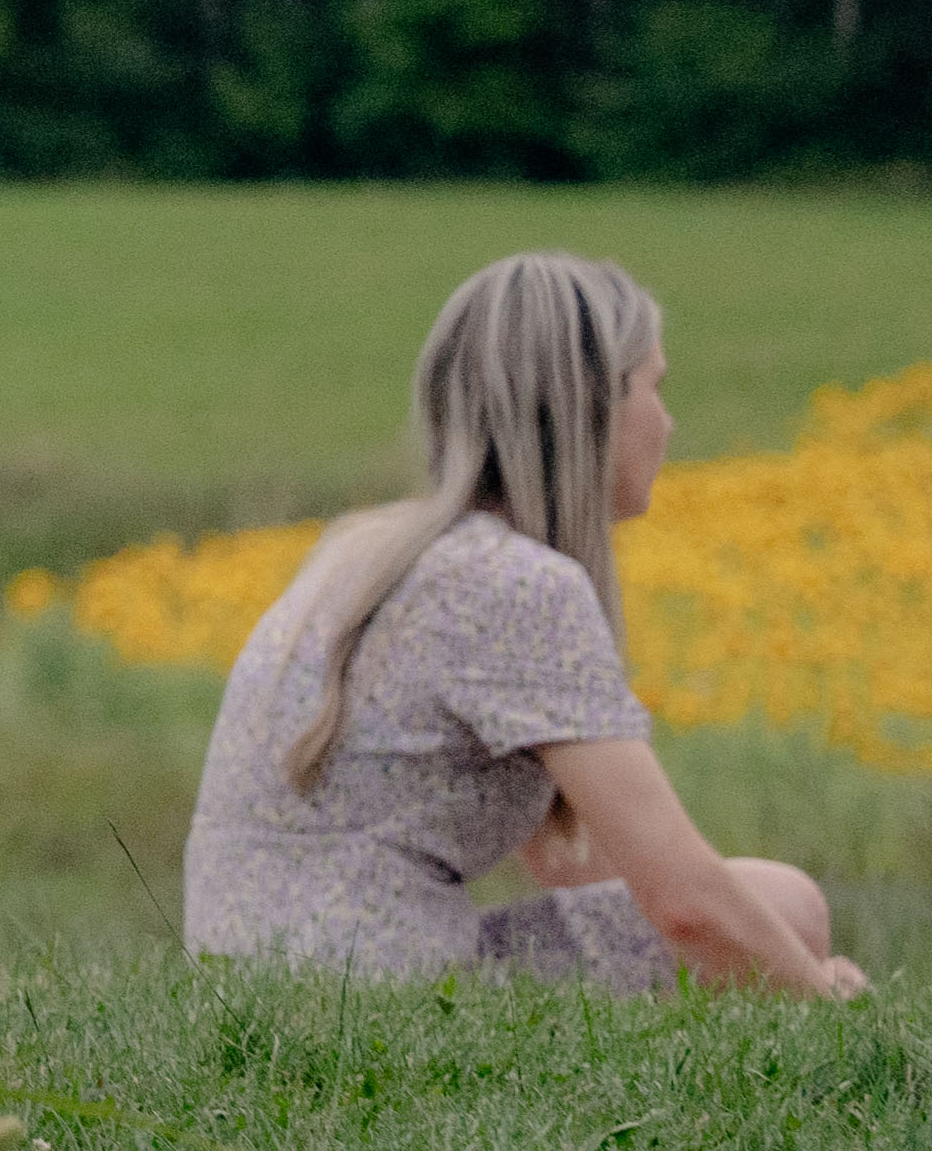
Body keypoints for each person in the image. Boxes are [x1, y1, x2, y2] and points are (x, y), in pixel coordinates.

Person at [182, 248, 857, 996]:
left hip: (256, 980)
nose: (668, 423)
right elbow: (683, 905)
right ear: (590, 404)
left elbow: (579, 861)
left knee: (765, 912)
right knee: (785, 909)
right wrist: (823, 998)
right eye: (654, 389)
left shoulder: (368, 549)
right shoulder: (517, 588)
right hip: (379, 996)